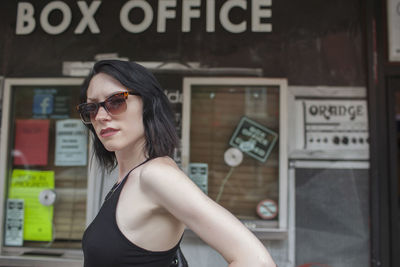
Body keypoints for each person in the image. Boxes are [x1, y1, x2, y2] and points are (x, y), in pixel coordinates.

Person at [77, 60, 277, 267]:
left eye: (116, 101)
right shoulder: (127, 179)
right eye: (91, 108)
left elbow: (256, 261)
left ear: (147, 104)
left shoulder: (156, 175)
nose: (100, 116)